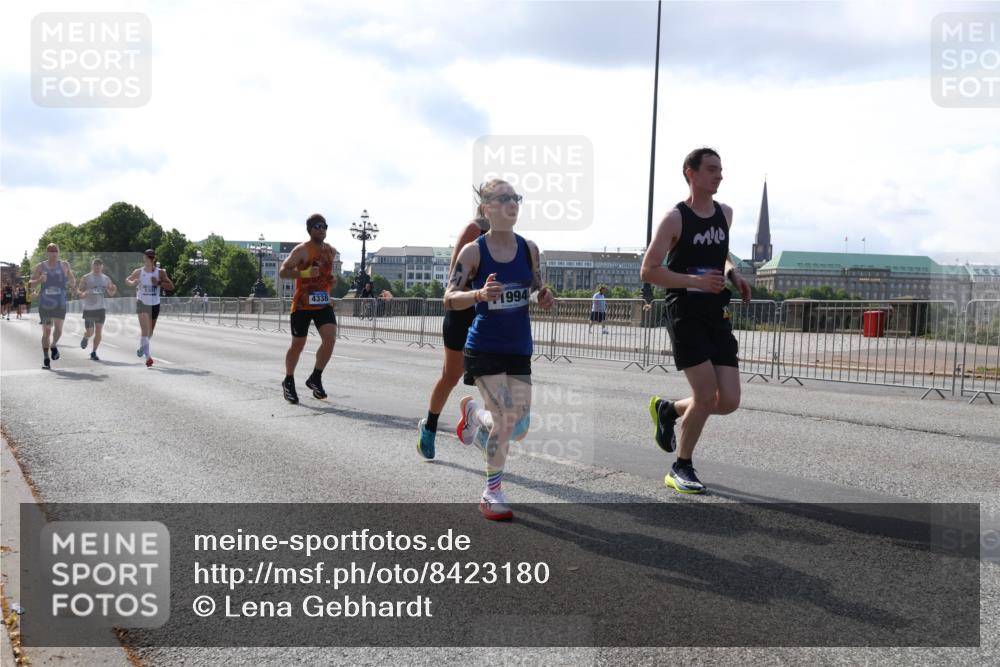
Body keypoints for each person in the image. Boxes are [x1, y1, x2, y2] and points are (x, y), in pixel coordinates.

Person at [639, 148, 752, 494]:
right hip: (685, 311)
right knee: (704, 394)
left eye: (721, 169)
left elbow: (721, 256)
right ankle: (681, 466)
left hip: (716, 312)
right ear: (691, 173)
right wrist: (696, 281)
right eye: (712, 169)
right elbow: (649, 270)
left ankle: (669, 410)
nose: (719, 175)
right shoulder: (675, 219)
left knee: (728, 400)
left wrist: (733, 274)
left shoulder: (725, 214)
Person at [444, 179, 555, 521]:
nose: (512, 203)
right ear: (487, 207)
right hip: (485, 346)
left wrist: (544, 296)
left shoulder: (528, 248)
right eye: (504, 198)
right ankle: (491, 492)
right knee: (506, 419)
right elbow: (449, 297)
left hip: (519, 346)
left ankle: (475, 415)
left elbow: (536, 287)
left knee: (517, 426)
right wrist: (478, 295)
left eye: (516, 197)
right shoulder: (474, 252)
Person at [416, 198, 492, 459]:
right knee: (452, 375)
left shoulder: (509, 241)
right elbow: (453, 281)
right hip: (462, 313)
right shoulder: (474, 230)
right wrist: (481, 293)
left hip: (489, 317)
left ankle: (482, 426)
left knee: (493, 377)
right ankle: (430, 427)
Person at [278, 213, 338, 403]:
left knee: (330, 339)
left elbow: (326, 275)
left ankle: (315, 377)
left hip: (322, 303)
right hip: (303, 304)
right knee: (298, 345)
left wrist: (331, 280)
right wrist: (304, 272)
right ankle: (288, 380)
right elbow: (283, 271)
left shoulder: (331, 251)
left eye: (324, 226)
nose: (322, 229)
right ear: (310, 229)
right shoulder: (302, 250)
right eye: (318, 226)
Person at [29, 243, 76, 369]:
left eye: (55, 250)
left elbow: (72, 278)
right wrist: (39, 280)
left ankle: (54, 345)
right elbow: (30, 284)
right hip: (46, 304)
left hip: (60, 302)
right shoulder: (41, 266)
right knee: (47, 330)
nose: (53, 253)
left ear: (58, 252)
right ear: (47, 253)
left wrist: (72, 284)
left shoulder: (64, 265)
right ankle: (46, 357)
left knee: (59, 329)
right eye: (50, 251)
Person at [125, 249, 174, 367]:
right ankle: (148, 358)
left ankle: (143, 347)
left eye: (152, 257)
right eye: (148, 257)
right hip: (142, 303)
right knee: (145, 331)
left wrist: (159, 283)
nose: (150, 259)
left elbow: (171, 286)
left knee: (150, 332)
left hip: (155, 304)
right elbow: (127, 280)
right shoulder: (139, 271)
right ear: (144, 258)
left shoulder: (160, 272)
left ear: (154, 259)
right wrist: (132, 283)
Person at [78, 258, 118, 360]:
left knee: (99, 332)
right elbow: (79, 290)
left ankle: (94, 352)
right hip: (89, 308)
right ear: (92, 266)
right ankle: (86, 337)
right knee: (90, 331)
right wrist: (83, 293)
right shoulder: (86, 277)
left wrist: (114, 289)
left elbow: (111, 293)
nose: (97, 267)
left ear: (102, 266)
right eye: (95, 265)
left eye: (99, 265)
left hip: (100, 308)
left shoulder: (106, 279)